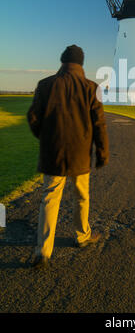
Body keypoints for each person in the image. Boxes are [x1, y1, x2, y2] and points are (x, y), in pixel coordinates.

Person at [27, 45, 109, 269]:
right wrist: (102, 153)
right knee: (82, 196)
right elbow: (99, 125)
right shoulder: (92, 88)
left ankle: (43, 252)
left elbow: (33, 117)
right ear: (81, 64)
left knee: (50, 199)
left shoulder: (45, 85)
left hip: (53, 154)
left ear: (62, 61)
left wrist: (45, 138)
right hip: (80, 155)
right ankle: (82, 236)